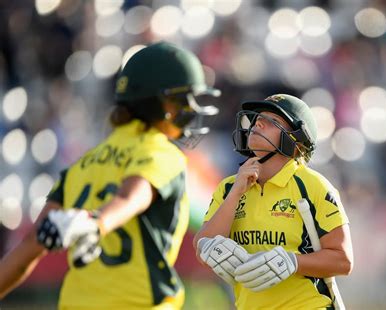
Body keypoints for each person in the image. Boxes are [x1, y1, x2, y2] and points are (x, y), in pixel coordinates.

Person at [0, 41, 220, 309]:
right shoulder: (162, 152)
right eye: (184, 99)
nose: (190, 110)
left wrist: (92, 221)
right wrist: (96, 222)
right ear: (160, 103)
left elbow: (31, 243)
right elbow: (131, 197)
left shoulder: (81, 165)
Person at [193, 94, 353, 309]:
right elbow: (202, 247)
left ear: (295, 139)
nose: (257, 122)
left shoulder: (312, 185)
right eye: (257, 118)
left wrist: (292, 261)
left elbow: (343, 260)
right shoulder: (229, 187)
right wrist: (236, 193)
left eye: (272, 121)